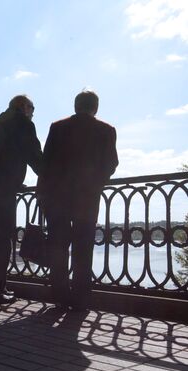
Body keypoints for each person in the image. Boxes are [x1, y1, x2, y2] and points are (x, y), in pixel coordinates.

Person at [37, 90, 118, 310]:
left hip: (57, 197)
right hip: (87, 199)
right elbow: (111, 163)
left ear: (75, 106)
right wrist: (95, 183)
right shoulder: (106, 130)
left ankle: (60, 295)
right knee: (84, 247)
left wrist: (43, 191)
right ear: (95, 107)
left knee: (59, 246)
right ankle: (81, 298)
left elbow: (46, 163)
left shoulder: (57, 127)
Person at [0, 95, 43, 306]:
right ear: (24, 107)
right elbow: (35, 156)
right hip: (3, 189)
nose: (33, 113)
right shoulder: (22, 123)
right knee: (1, 240)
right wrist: (51, 175)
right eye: (32, 109)